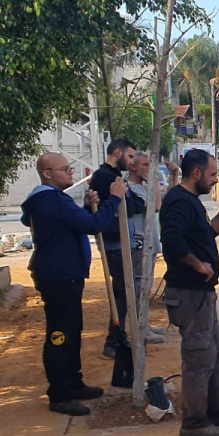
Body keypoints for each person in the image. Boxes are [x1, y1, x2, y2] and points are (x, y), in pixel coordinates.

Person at [21, 153, 127, 415]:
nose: (71, 173)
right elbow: (93, 225)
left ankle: (73, 382)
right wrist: (113, 198)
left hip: (64, 274)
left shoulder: (50, 201)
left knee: (72, 329)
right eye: (65, 169)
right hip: (58, 276)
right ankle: (60, 393)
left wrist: (83, 207)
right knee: (60, 335)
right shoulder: (49, 199)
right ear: (47, 173)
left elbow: (68, 224)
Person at [160, 149, 219, 436]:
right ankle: (194, 423)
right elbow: (171, 241)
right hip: (189, 294)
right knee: (198, 358)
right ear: (195, 173)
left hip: (202, 294)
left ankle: (216, 411)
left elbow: (209, 234)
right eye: (211, 174)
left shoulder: (192, 202)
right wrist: (198, 264)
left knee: (216, 353)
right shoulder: (178, 202)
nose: (213, 180)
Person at [89, 138, 139, 390]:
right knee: (121, 292)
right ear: (117, 153)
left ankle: (118, 336)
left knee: (125, 291)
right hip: (114, 244)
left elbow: (131, 208)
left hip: (122, 242)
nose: (131, 162)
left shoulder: (114, 176)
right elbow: (111, 210)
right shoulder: (103, 176)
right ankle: (113, 340)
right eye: (129, 157)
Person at [127, 152, 178, 345]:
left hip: (150, 243)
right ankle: (140, 330)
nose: (149, 170)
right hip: (140, 242)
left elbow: (166, 203)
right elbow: (156, 206)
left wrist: (173, 177)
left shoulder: (144, 187)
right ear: (134, 167)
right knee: (140, 287)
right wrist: (155, 180)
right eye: (146, 165)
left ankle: (144, 325)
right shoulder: (132, 189)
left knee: (145, 287)